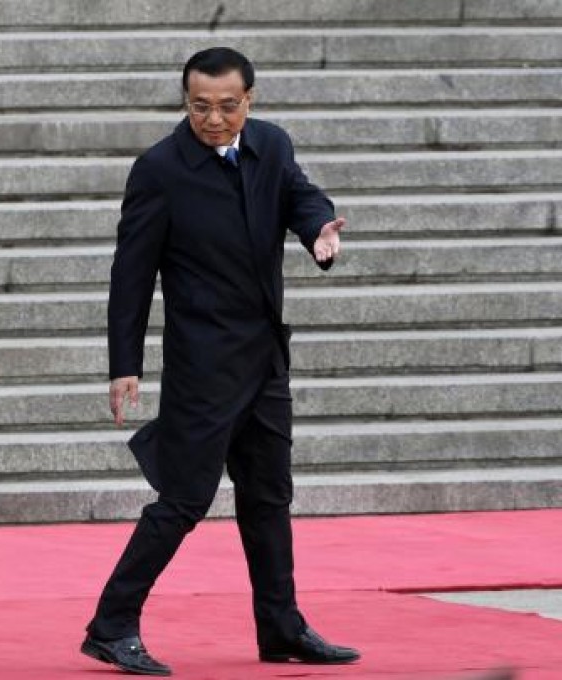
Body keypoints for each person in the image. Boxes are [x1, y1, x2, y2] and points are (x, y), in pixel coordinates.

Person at [81, 47, 359, 675]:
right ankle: (111, 622)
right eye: (199, 106)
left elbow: (301, 196)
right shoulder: (159, 170)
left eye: (227, 106)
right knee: (183, 499)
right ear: (186, 102)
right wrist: (124, 363)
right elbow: (131, 275)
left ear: (250, 101)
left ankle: (280, 625)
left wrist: (319, 231)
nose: (213, 119)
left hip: (265, 359)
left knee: (268, 496)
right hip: (202, 365)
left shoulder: (271, 145)